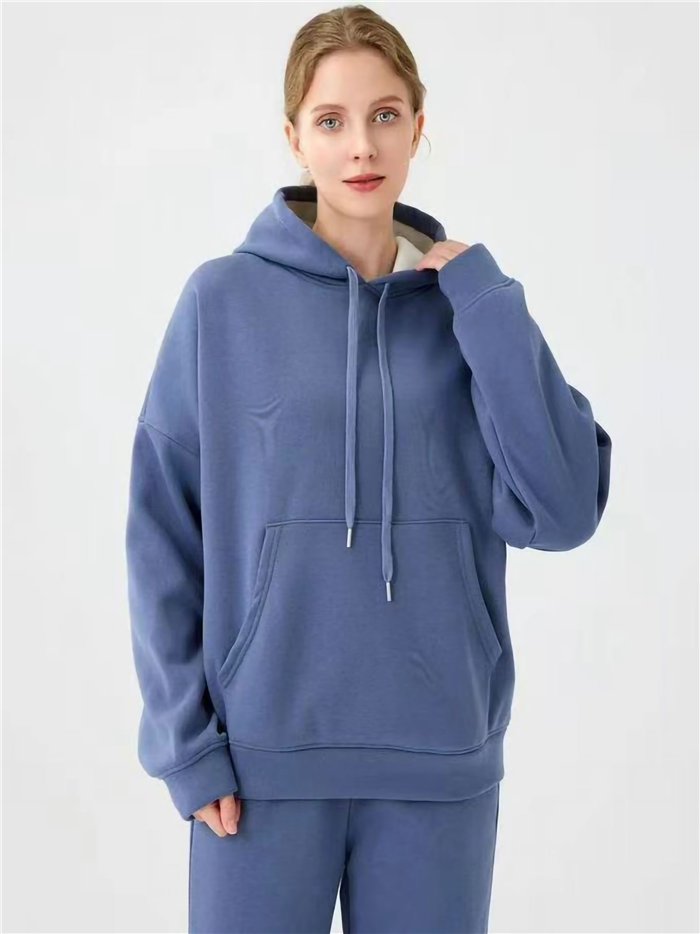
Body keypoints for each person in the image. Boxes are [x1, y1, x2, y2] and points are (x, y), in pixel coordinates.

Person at [125, 5, 612, 932]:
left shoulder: (470, 312)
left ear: (419, 127)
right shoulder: (222, 302)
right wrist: (186, 746)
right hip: (259, 768)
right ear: (294, 138)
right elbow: (162, 535)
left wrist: (488, 304)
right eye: (332, 120)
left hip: (439, 760)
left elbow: (564, 511)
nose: (362, 146)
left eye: (386, 115)